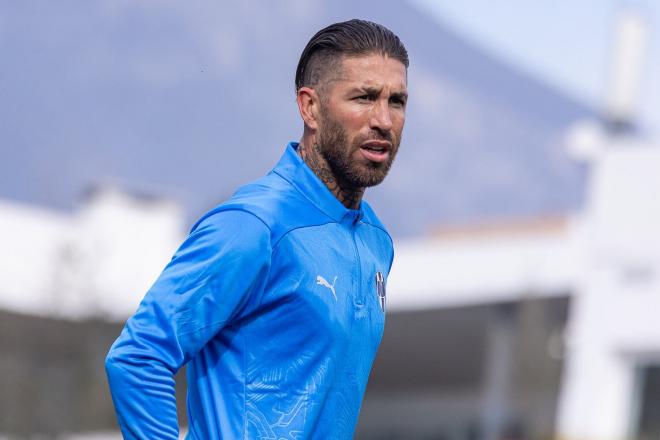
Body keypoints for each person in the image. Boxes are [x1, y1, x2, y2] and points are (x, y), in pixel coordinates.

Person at [105, 18, 409, 439]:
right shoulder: (252, 225)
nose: (384, 119)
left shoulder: (376, 241)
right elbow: (139, 357)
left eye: (397, 101)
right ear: (310, 108)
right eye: (364, 97)